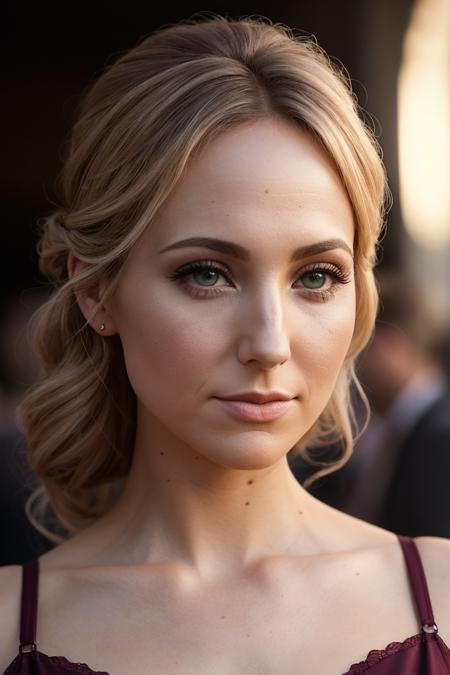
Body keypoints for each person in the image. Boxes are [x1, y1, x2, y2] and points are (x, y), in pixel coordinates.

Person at [1, 15, 449, 675]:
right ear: (97, 292)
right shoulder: (9, 624)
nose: (269, 342)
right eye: (206, 274)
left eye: (316, 276)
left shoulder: (443, 596)